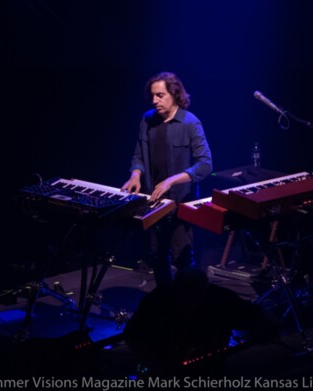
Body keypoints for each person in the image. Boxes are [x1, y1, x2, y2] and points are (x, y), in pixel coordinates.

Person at [121, 72, 213, 287]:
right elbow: (138, 154)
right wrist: (136, 173)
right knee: (158, 254)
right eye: (153, 96)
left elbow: (206, 164)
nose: (155, 101)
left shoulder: (191, 123)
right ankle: (166, 301)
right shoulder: (147, 120)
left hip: (181, 202)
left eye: (160, 95)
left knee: (183, 256)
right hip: (155, 200)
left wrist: (171, 181)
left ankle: (188, 304)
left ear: (175, 94)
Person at [123, 268, 279, 377]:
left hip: (207, 374)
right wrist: (156, 365)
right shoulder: (158, 300)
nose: (192, 301)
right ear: (176, 289)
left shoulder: (221, 300)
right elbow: (132, 335)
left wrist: (263, 329)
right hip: (161, 373)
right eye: (186, 295)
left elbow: (259, 317)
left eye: (197, 294)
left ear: (205, 288)